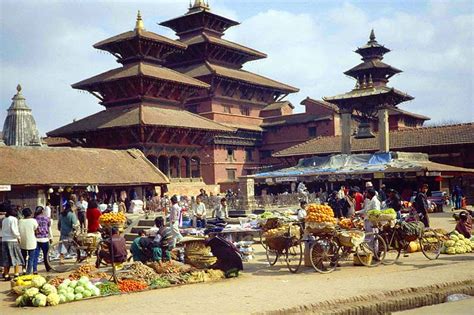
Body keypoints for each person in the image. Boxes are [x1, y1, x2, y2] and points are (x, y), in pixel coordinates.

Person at [2, 208, 24, 280]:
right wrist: (19, 237)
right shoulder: (13, 219)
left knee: (6, 258)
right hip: (12, 240)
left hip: (4, 240)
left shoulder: (4, 219)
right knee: (15, 257)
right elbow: (14, 230)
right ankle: (16, 273)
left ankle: (6, 275)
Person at [19, 208, 38, 275]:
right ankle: (28, 272)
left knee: (23, 257)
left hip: (22, 242)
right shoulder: (33, 221)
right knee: (31, 258)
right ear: (30, 213)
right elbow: (36, 230)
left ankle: (23, 269)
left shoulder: (20, 221)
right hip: (31, 242)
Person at [33, 206, 52, 273]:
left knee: (35, 255)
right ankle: (48, 268)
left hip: (36, 239)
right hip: (45, 239)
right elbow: (49, 227)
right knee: (46, 255)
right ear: (42, 211)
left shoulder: (34, 219)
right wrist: (51, 237)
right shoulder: (47, 218)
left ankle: (34, 269)